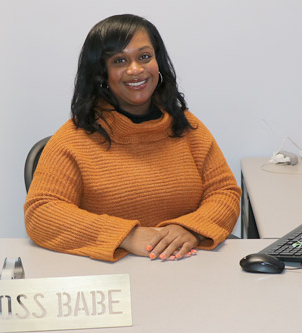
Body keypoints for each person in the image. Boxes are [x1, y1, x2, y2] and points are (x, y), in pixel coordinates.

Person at [24, 14, 241, 262]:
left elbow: (224, 192)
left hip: (188, 270)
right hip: (111, 284)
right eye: (119, 60)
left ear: (158, 62)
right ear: (102, 73)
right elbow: (41, 213)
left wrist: (190, 228)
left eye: (144, 57)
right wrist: (127, 236)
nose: (135, 69)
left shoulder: (187, 126)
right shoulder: (73, 139)